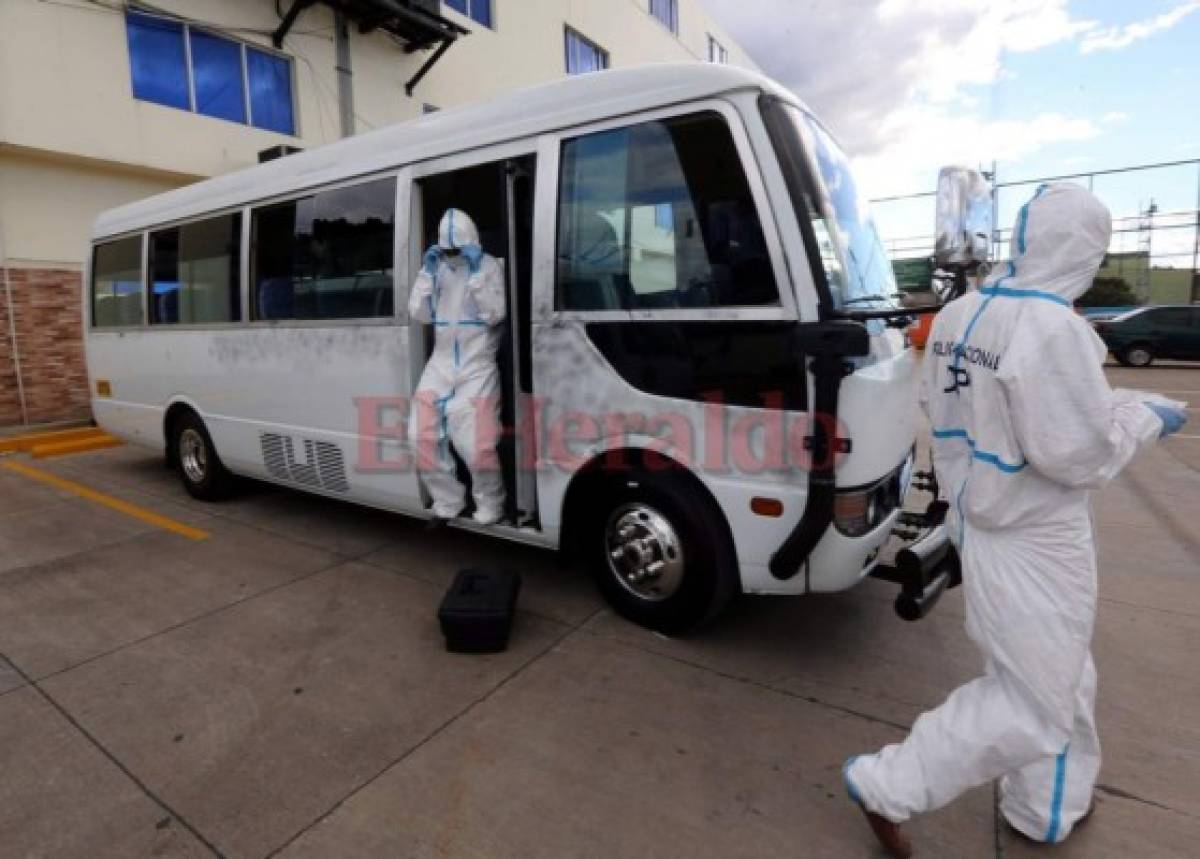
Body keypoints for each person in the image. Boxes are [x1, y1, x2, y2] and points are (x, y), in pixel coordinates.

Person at [843, 183, 1188, 858]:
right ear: (1086, 248)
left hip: (983, 519)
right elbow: (1077, 454)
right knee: (1033, 701)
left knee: (1059, 673)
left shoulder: (959, 314)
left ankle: (1045, 805)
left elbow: (971, 413)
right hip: (1034, 536)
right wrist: (1141, 416)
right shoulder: (1055, 329)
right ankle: (887, 782)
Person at [408, 208, 507, 525]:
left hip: (476, 363)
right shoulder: (437, 270)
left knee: (476, 444)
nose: (453, 256)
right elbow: (419, 314)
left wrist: (477, 273)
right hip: (440, 364)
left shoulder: (491, 266)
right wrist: (426, 273)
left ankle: (491, 502)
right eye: (448, 250)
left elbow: (494, 313)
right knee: (419, 436)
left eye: (457, 250)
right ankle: (448, 499)